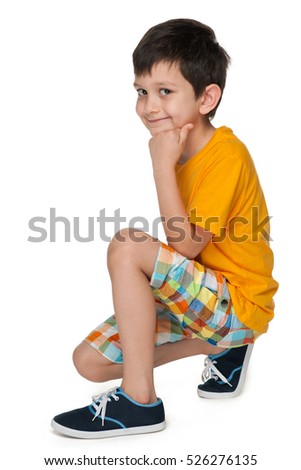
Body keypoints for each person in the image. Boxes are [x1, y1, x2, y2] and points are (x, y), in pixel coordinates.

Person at [51, 18, 278, 439]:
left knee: (127, 246)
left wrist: (160, 167)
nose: (149, 106)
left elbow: (186, 247)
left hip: (237, 300)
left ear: (207, 97)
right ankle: (221, 345)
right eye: (142, 92)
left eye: (165, 92)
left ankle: (140, 401)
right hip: (200, 300)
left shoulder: (226, 156)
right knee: (88, 362)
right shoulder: (176, 148)